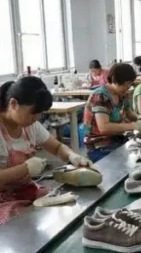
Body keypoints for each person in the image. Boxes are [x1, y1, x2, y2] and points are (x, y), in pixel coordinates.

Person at [0, 77, 94, 225]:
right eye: (33, 113)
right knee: (20, 222)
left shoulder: (30, 125)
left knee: (62, 205)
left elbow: (56, 147)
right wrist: (24, 169)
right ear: (13, 104)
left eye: (40, 113)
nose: (36, 118)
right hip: (3, 201)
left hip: (25, 191)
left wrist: (72, 156)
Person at [83, 63, 141, 161]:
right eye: (126, 84)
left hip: (116, 138)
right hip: (99, 144)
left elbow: (129, 113)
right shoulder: (100, 96)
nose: (128, 88)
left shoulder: (121, 94)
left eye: (129, 84)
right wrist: (133, 126)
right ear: (116, 81)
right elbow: (104, 128)